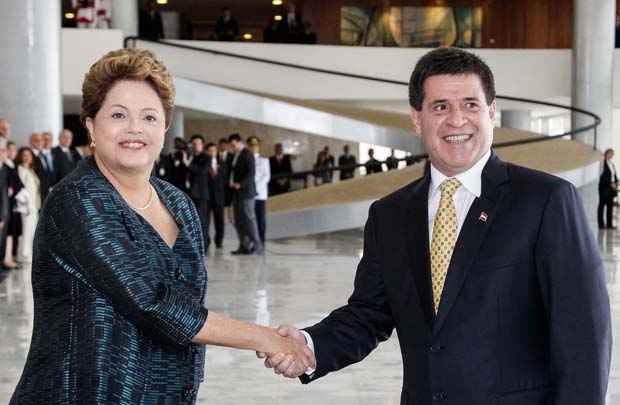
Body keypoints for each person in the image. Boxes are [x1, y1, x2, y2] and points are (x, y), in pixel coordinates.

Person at [263, 47, 611, 405]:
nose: (457, 120)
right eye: (441, 106)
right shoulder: (389, 215)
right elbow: (369, 314)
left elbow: (583, 335)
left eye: (471, 105)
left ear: (491, 112)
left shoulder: (545, 200)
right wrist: (308, 346)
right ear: (417, 118)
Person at [10, 48, 313, 405]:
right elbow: (154, 304)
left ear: (165, 127)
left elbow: (190, 305)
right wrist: (266, 338)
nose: (135, 128)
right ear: (91, 125)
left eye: (149, 117)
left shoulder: (179, 203)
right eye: (118, 115)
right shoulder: (77, 200)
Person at [228, 133, 262, 255]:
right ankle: (244, 246)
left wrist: (240, 184)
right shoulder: (235, 155)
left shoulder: (247, 154)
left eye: (233, 145)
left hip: (246, 193)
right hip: (236, 193)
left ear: (239, 142)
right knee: (239, 220)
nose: (232, 147)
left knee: (249, 219)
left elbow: (251, 173)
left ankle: (257, 246)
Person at [187, 134, 212, 253]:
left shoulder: (206, 157)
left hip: (201, 194)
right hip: (189, 194)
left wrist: (188, 164)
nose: (196, 146)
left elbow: (202, 171)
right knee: (191, 222)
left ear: (202, 145)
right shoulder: (190, 156)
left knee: (202, 221)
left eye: (198, 143)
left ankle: (205, 246)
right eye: (194, 143)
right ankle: (194, 246)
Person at [15, 147, 39, 265]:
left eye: (29, 155)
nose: (27, 157)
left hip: (34, 205)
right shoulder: (20, 170)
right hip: (26, 207)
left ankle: (27, 254)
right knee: (26, 230)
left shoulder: (31, 170)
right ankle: (24, 256)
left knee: (31, 230)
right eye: (24, 155)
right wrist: (27, 205)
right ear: (20, 156)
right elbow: (20, 190)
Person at [3, 141, 23, 270]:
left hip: (13, 204)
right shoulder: (5, 166)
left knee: (11, 232)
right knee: (8, 232)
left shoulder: (13, 165)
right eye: (9, 150)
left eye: (14, 150)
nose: (12, 152)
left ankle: (9, 257)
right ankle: (6, 259)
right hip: (6, 204)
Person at [248, 136, 271, 245]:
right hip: (248, 195)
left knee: (260, 219)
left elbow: (266, 177)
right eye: (251, 146)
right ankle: (251, 241)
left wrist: (255, 189)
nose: (254, 148)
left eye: (256, 146)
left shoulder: (264, 161)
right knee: (249, 220)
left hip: (259, 194)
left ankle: (261, 241)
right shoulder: (246, 160)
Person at [205, 142, 226, 249]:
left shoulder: (222, 162)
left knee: (220, 221)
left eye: (214, 150)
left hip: (219, 197)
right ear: (207, 152)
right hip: (207, 197)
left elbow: (225, 180)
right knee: (206, 221)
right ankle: (206, 241)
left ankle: (219, 241)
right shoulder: (204, 163)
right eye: (210, 150)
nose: (213, 152)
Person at [598, 148, 617, 229]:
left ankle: (609, 224)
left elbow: (614, 175)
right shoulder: (602, 163)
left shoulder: (611, 164)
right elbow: (602, 176)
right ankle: (601, 224)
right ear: (606, 154)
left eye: (612, 154)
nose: (611, 155)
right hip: (604, 187)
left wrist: (616, 182)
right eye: (610, 153)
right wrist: (610, 183)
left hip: (611, 187)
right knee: (602, 205)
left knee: (610, 206)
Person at [30, 132, 52, 201]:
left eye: (41, 140)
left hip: (46, 192)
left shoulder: (43, 155)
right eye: (36, 140)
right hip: (35, 193)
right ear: (31, 142)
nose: (39, 142)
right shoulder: (29, 155)